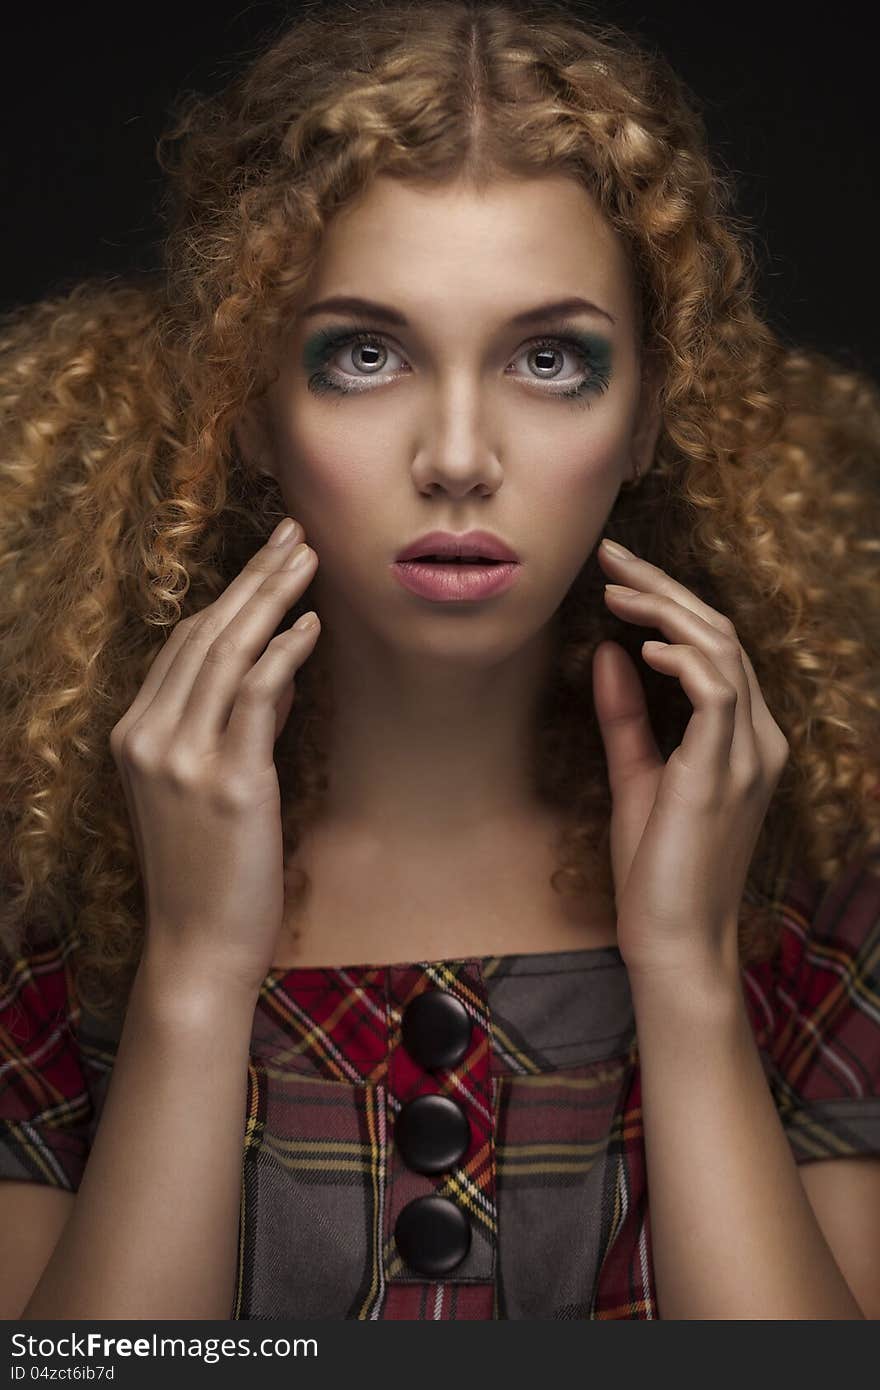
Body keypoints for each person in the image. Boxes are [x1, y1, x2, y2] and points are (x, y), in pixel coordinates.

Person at [0, 0, 878, 1322]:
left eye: (549, 357)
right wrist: (189, 975)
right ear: (250, 410)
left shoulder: (820, 882)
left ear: (645, 414)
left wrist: (690, 980)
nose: (459, 454)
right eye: (365, 353)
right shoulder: (40, 896)